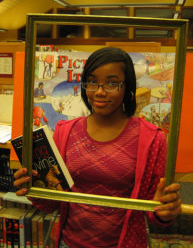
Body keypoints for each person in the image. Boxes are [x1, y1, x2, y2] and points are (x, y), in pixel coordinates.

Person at [14, 47, 181, 248]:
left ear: (127, 86)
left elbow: (154, 211)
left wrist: (165, 211)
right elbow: (51, 204)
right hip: (68, 243)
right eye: (92, 82)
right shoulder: (64, 132)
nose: (100, 92)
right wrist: (33, 186)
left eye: (112, 83)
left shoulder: (152, 138)